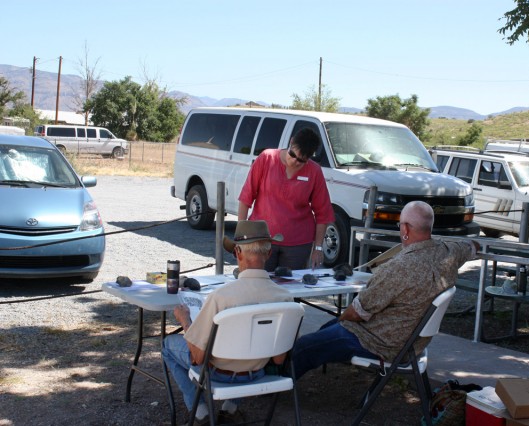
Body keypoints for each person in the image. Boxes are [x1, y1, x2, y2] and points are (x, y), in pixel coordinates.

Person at [291, 201, 479, 379]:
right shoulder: (449, 252)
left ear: (405, 229)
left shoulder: (399, 267)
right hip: (412, 344)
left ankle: (278, 382)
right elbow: (471, 247)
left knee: (304, 346)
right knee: (328, 329)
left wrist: (342, 320)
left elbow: (356, 312)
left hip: (380, 343)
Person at [162, 220, 292, 425]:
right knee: (247, 345)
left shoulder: (221, 297)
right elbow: (278, 359)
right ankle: (230, 409)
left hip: (217, 374)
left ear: (238, 253)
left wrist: (185, 321)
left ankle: (201, 412)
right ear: (268, 254)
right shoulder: (285, 299)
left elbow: (197, 357)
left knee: (167, 345)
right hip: (256, 373)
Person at [237, 127, 335, 271]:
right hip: (262, 240)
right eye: (292, 154)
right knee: (258, 286)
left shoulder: (314, 171)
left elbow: (323, 213)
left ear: (309, 158)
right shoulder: (266, 158)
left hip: (298, 245)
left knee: (291, 291)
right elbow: (246, 198)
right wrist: (241, 237)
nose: (294, 161)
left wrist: (318, 248)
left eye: (301, 160)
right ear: (291, 142)